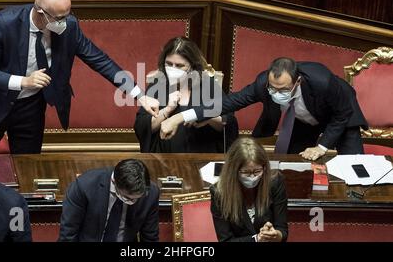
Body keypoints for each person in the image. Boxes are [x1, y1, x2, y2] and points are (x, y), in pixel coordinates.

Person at [0, 0, 159, 155]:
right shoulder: (4, 23)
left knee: (28, 168)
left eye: (68, 15)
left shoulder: (69, 27)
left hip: (30, 107)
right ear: (40, 13)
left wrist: (139, 95)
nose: (64, 22)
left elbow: (100, 61)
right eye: (59, 18)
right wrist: (24, 81)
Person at [161, 57, 368, 160]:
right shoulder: (262, 84)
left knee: (353, 166)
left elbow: (342, 114)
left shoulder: (323, 81)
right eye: (273, 88)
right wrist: (177, 118)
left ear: (298, 82)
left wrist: (321, 147)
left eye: (283, 89)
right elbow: (226, 104)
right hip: (303, 120)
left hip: (340, 115)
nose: (276, 93)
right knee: (294, 165)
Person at [134, 36, 238, 153]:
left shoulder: (207, 85)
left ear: (192, 66)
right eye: (169, 64)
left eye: (179, 66)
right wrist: (167, 110)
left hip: (202, 156)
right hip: (164, 157)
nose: (173, 69)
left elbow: (227, 124)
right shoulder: (158, 85)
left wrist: (205, 116)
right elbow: (142, 128)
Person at [58, 159, 159, 242]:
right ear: (114, 182)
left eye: (138, 198)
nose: (134, 202)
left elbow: (150, 237)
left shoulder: (151, 193)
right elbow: (68, 235)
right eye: (128, 198)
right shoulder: (84, 186)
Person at [210, 137, 288, 242]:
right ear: (234, 171)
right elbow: (225, 240)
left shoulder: (275, 183)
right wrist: (257, 239)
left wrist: (275, 235)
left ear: (264, 168)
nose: (252, 177)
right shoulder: (219, 193)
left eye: (257, 171)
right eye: (246, 172)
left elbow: (282, 230)